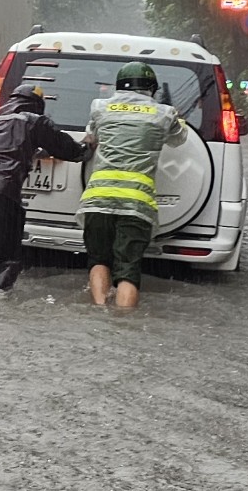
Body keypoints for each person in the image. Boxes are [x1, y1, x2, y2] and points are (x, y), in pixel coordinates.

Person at [0, 83, 86, 293]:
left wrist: (31, 151)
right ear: (37, 105)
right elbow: (70, 150)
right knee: (4, 260)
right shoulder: (34, 121)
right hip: (1, 192)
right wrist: (87, 146)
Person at [80, 61, 188, 312]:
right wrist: (176, 115)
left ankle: (98, 311)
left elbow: (91, 137)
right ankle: (124, 321)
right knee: (128, 269)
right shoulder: (165, 113)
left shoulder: (100, 107)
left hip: (97, 199)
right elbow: (179, 139)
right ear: (152, 88)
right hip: (136, 204)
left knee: (98, 260)